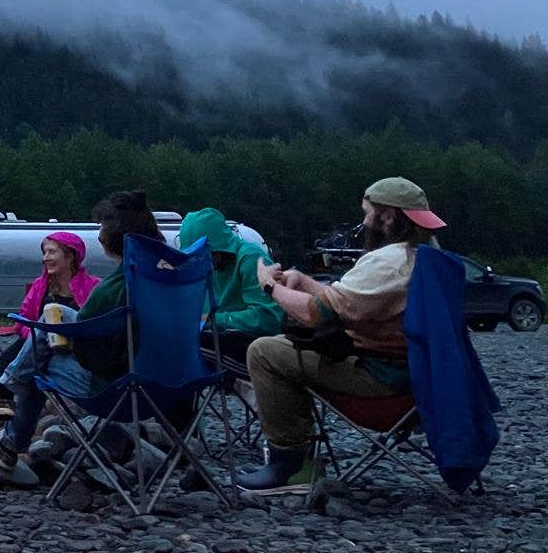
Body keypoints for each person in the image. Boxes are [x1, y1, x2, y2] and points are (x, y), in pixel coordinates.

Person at [235, 177, 444, 494]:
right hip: (419, 381)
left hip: (385, 386)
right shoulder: (426, 257)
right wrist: (304, 281)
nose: (364, 221)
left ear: (387, 215)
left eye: (367, 212)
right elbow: (347, 303)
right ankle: (295, 459)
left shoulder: (388, 262)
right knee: (285, 346)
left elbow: (313, 314)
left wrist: (269, 285)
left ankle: (290, 466)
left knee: (265, 351)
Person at [0, 190, 163, 482]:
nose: (99, 236)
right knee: (50, 315)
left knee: (38, 362)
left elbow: (88, 345)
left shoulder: (113, 286)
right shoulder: (169, 275)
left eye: (102, 226)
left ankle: (10, 433)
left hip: (119, 387)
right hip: (168, 385)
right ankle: (11, 386)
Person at [0, 230, 100, 417]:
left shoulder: (94, 286)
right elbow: (24, 320)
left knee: (37, 339)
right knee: (32, 342)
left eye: (51, 252)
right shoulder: (40, 287)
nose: (45, 258)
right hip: (40, 350)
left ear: (70, 255)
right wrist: (39, 336)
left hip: (76, 353)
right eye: (44, 252)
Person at [177, 207, 283, 363]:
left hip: (251, 350)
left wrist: (212, 321)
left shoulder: (251, 259)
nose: (198, 260)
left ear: (218, 248)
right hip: (219, 342)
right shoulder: (205, 267)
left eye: (204, 255)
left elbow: (268, 318)